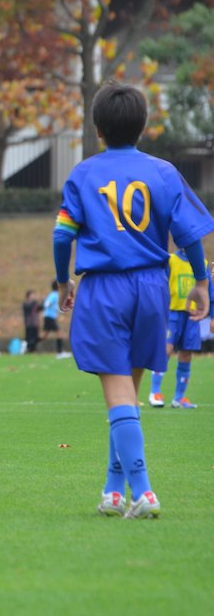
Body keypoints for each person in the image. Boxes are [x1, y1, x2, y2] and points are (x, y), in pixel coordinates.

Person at [53, 81, 214, 519]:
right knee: (127, 393)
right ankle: (111, 490)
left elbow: (62, 233)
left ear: (97, 129)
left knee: (119, 393)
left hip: (106, 288)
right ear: (142, 127)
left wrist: (63, 282)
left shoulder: (84, 173)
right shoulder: (163, 172)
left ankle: (142, 492)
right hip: (151, 288)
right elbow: (190, 235)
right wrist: (201, 281)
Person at [147, 249, 214, 409]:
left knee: (186, 353)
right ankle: (155, 392)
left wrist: (212, 316)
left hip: (192, 315)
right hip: (172, 313)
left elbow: (209, 291)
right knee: (166, 350)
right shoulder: (170, 260)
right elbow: (159, 284)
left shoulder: (202, 263)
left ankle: (179, 397)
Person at [42, 280, 69, 358]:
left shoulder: (55, 294)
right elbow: (47, 303)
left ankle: (29, 345)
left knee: (44, 336)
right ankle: (60, 353)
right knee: (59, 333)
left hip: (49, 317)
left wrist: (61, 310)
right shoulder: (54, 295)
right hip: (50, 317)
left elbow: (55, 306)